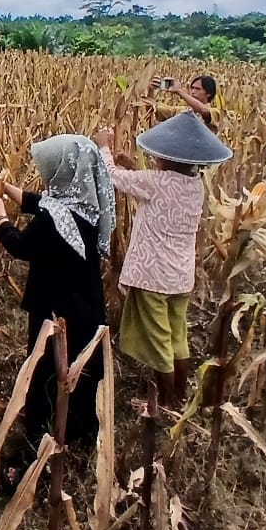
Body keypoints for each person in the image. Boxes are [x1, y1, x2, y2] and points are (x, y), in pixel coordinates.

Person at [0, 135, 115, 481]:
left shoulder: (54, 221)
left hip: (55, 309)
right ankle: (82, 426)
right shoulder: (86, 205)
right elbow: (46, 204)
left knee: (45, 368)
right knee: (81, 368)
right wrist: (9, 189)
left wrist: (0, 218)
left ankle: (43, 435)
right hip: (84, 302)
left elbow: (23, 246)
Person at [93, 112, 231, 406]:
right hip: (180, 276)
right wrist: (132, 167)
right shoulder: (195, 185)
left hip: (152, 276)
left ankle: (165, 402)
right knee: (177, 338)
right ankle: (180, 395)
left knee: (158, 343)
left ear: (166, 158)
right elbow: (153, 188)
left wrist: (104, 147)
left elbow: (112, 176)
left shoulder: (155, 182)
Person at [151, 74, 219, 129]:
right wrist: (150, 90)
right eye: (192, 88)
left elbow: (203, 110)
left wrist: (179, 91)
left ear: (209, 93)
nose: (192, 92)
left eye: (197, 89)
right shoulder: (181, 111)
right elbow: (151, 110)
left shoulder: (216, 113)